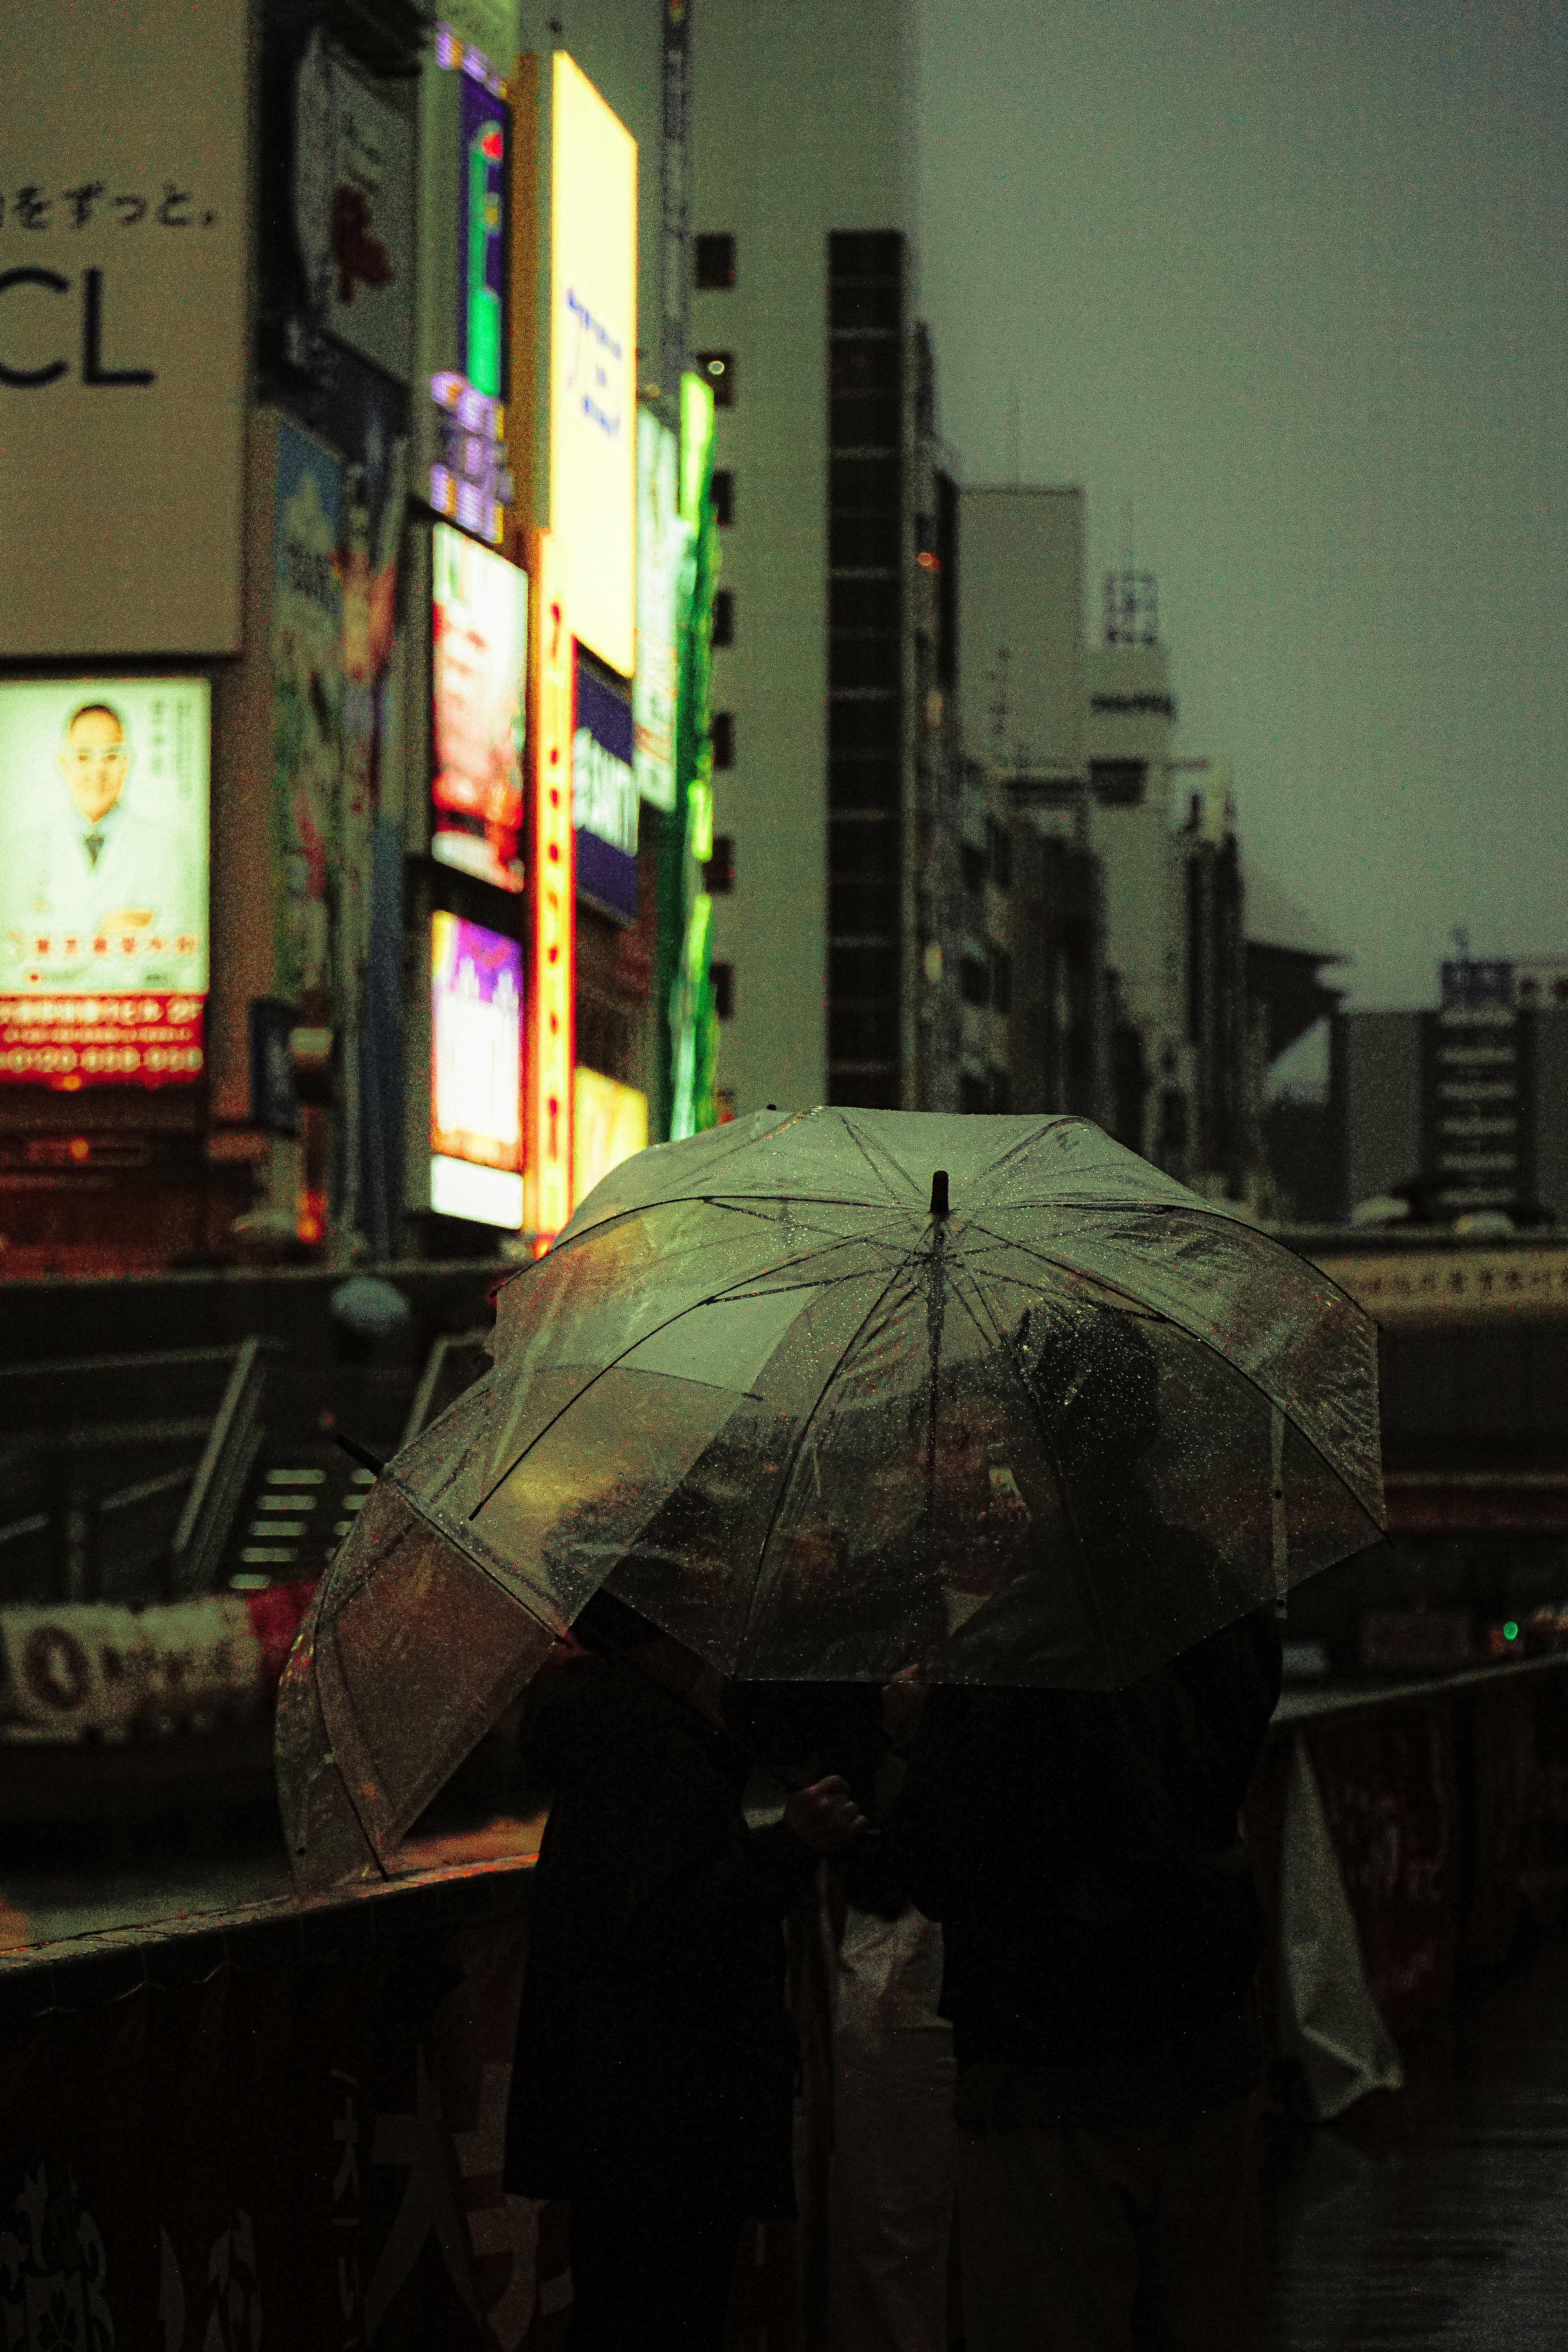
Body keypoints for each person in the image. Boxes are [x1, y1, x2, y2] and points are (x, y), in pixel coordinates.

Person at [889, 1308, 1285, 2352]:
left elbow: (932, 1858)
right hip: (1203, 2041)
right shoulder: (1220, 1596)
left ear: (1034, 1443)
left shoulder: (1008, 1640)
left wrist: (917, 1731)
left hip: (1048, 2066)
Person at [502, 1592, 867, 2352]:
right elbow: (676, 1918)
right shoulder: (651, 1745)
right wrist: (792, 1845)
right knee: (664, 2311)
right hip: (670, 2116)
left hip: (625, 2116)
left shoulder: (621, 1728)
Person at [11, 701, 184, 948]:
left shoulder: (167, 846)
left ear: (127, 762)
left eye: (111, 757)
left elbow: (179, 951)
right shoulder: (24, 848)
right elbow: (14, 948)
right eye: (83, 757)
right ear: (64, 763)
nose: (97, 771)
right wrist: (102, 928)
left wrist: (63, 928)